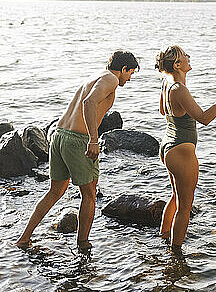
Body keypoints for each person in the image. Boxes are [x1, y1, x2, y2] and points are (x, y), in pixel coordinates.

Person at [16, 50, 139, 251]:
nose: (130, 78)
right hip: (77, 140)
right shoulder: (111, 79)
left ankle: (24, 238)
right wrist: (93, 139)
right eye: (131, 73)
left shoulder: (96, 76)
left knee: (55, 191)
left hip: (59, 135)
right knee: (89, 194)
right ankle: (83, 244)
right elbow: (89, 102)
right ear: (123, 68)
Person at [156, 45, 216, 252]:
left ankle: (164, 237)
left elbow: (161, 110)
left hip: (168, 146)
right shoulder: (178, 88)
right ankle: (176, 254)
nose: (189, 57)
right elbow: (204, 118)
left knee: (176, 197)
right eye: (185, 56)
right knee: (185, 207)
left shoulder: (167, 83)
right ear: (177, 65)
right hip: (181, 151)